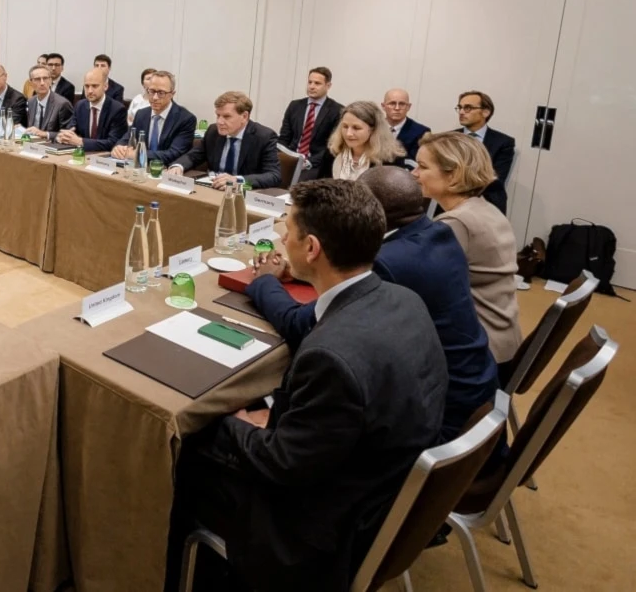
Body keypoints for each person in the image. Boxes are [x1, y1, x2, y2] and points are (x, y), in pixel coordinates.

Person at [169, 179, 447, 592]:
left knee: (187, 450)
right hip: (379, 484)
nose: (281, 237)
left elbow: (281, 464)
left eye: (288, 231)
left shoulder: (330, 358)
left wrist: (230, 421)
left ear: (312, 248)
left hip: (321, 530)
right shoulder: (403, 299)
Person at [247, 166, 499, 443]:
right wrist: (306, 270)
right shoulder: (437, 233)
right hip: (474, 384)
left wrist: (264, 282)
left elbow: (300, 325)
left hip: (439, 411)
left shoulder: (388, 263)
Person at [414, 131, 523, 364]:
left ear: (453, 176)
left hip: (479, 350)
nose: (414, 174)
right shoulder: (483, 209)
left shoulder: (456, 223)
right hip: (502, 336)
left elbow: (418, 282)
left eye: (422, 167)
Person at [166, 91, 281, 189]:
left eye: (226, 117)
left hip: (242, 195)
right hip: (212, 188)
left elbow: (273, 176)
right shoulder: (213, 131)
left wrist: (238, 180)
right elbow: (193, 156)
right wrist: (178, 166)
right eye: (218, 115)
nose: (219, 122)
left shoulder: (264, 137)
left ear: (244, 116)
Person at [111, 70, 195, 164]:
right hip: (139, 169)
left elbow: (174, 154)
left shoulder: (185, 119)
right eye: (151, 91)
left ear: (172, 94)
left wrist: (138, 154)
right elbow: (127, 137)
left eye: (161, 93)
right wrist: (119, 148)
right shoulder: (141, 114)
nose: (155, 97)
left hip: (166, 171)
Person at [278, 66, 344, 177]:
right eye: (310, 82)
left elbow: (332, 146)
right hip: (290, 159)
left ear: (328, 86)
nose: (311, 87)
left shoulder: (337, 111)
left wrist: (309, 162)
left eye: (317, 83)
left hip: (315, 164)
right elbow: (284, 138)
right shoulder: (294, 106)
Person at [456, 90, 515, 215]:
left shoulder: (503, 142)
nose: (461, 112)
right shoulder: (450, 138)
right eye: (460, 107)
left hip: (487, 202)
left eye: (468, 108)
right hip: (452, 201)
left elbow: (494, 178)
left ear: (485, 112)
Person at [318, 100, 404, 180]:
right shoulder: (332, 152)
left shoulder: (391, 159)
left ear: (373, 129)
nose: (349, 133)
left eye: (356, 128)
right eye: (345, 126)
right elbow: (319, 187)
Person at [57, 68, 127, 152]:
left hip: (104, 158)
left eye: (95, 86)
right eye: (87, 86)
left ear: (105, 86)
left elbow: (113, 142)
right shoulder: (80, 106)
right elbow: (71, 129)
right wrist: (64, 136)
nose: (90, 91)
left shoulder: (117, 109)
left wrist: (81, 142)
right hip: (82, 155)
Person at [22, 64, 74, 139]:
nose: (42, 83)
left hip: (52, 146)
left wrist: (45, 134)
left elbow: (69, 134)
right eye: (37, 79)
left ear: (50, 80)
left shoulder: (62, 104)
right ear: (31, 82)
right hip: (33, 145)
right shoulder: (31, 102)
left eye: (45, 78)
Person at [381, 88, 429, 160]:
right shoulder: (372, 128)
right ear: (383, 106)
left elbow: (417, 162)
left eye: (402, 104)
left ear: (408, 107)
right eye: (392, 103)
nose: (397, 108)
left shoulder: (421, 132)